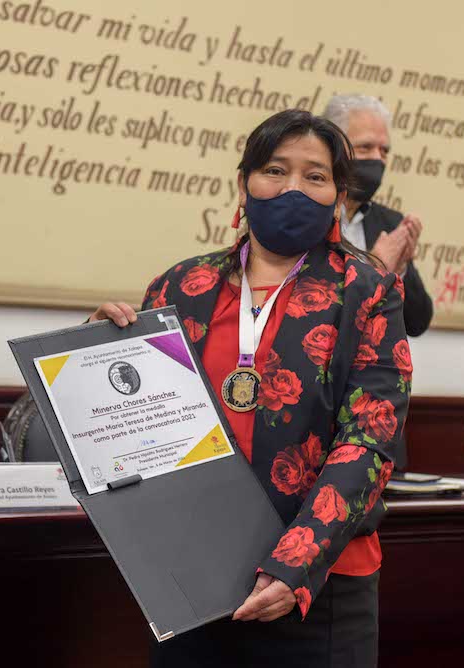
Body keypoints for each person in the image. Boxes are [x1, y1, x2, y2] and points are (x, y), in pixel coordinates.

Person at [91, 110, 411, 667]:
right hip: (190, 578)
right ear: (243, 184)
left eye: (314, 176)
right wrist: (98, 360)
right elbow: (141, 427)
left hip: (317, 587)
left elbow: (370, 439)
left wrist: (293, 564)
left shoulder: (367, 291)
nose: (291, 188)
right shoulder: (180, 285)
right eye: (273, 169)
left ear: (337, 196)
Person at [322, 94, 433, 337]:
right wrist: (374, 270)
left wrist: (400, 272)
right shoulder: (308, 216)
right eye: (365, 147)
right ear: (331, 149)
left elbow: (417, 323)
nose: (377, 159)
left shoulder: (390, 223)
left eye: (384, 151)